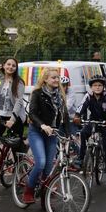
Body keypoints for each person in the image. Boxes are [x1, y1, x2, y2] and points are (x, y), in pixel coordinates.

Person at [23, 68, 70, 203]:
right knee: (41, 163)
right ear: (45, 79)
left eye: (58, 78)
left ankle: (45, 198)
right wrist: (42, 125)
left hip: (52, 133)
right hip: (37, 131)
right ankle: (28, 191)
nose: (56, 80)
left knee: (49, 166)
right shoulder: (38, 93)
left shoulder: (60, 94)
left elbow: (65, 115)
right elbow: (32, 113)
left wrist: (69, 135)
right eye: (53, 78)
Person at [74, 75, 106, 189]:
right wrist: (77, 116)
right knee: (84, 132)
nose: (97, 87)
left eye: (100, 85)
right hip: (93, 121)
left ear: (103, 86)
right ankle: (82, 156)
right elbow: (81, 107)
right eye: (95, 85)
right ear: (91, 87)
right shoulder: (88, 96)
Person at [60, 74, 80, 155]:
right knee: (58, 140)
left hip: (71, 119)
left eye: (64, 86)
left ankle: (80, 156)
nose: (62, 88)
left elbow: (68, 106)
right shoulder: (56, 91)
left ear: (67, 86)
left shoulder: (71, 92)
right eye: (60, 86)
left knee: (71, 140)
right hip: (61, 119)